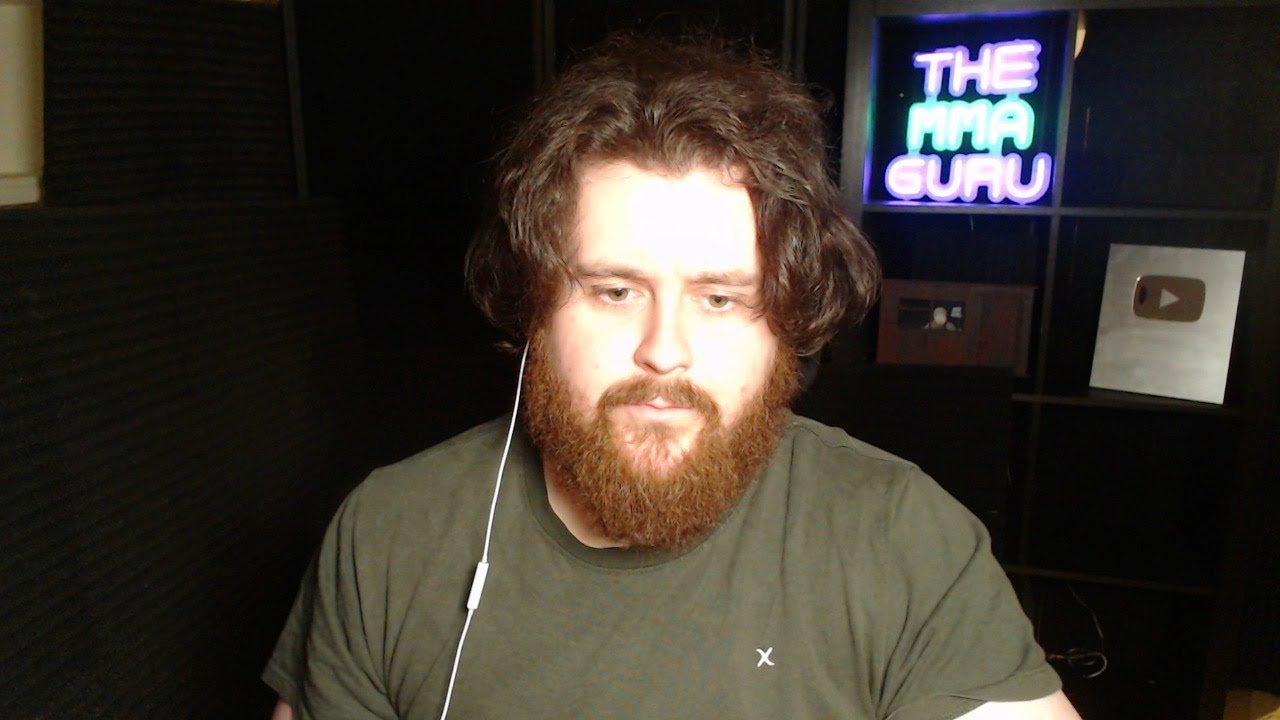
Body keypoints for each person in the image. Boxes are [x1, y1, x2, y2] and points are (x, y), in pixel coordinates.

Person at [264, 33, 1081, 720]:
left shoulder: (902, 541)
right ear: (532, 309)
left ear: (786, 326)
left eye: (720, 299)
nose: (664, 351)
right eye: (614, 292)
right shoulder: (388, 538)